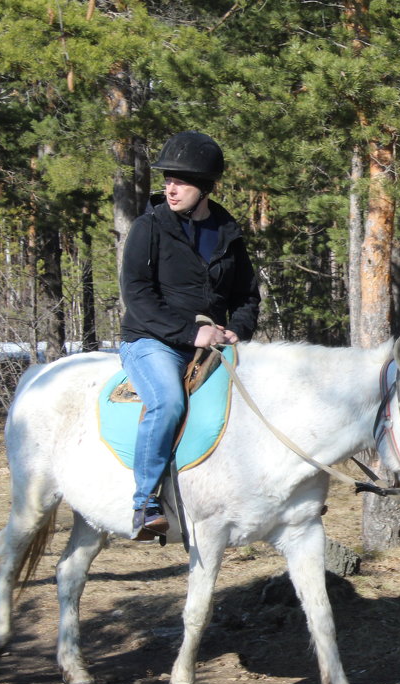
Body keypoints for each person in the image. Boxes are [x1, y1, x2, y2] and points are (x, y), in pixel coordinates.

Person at [118, 131, 260, 540]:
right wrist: (189, 333)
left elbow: (246, 294)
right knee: (166, 402)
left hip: (211, 344)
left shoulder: (227, 232)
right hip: (151, 341)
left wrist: (239, 329)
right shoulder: (149, 228)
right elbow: (137, 294)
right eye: (167, 179)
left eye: (181, 181)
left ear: (205, 188)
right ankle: (145, 503)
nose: (171, 187)